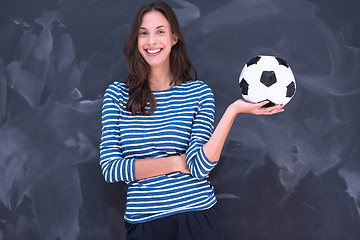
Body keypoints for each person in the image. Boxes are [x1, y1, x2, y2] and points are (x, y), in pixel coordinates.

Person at [99, 1, 284, 239]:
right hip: (143, 223)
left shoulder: (198, 93)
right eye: (143, 33)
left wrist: (233, 111)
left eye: (160, 32)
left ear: (174, 38)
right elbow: (112, 169)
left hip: (196, 218)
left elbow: (199, 166)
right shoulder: (117, 95)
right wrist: (176, 162)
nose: (151, 41)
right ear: (136, 40)